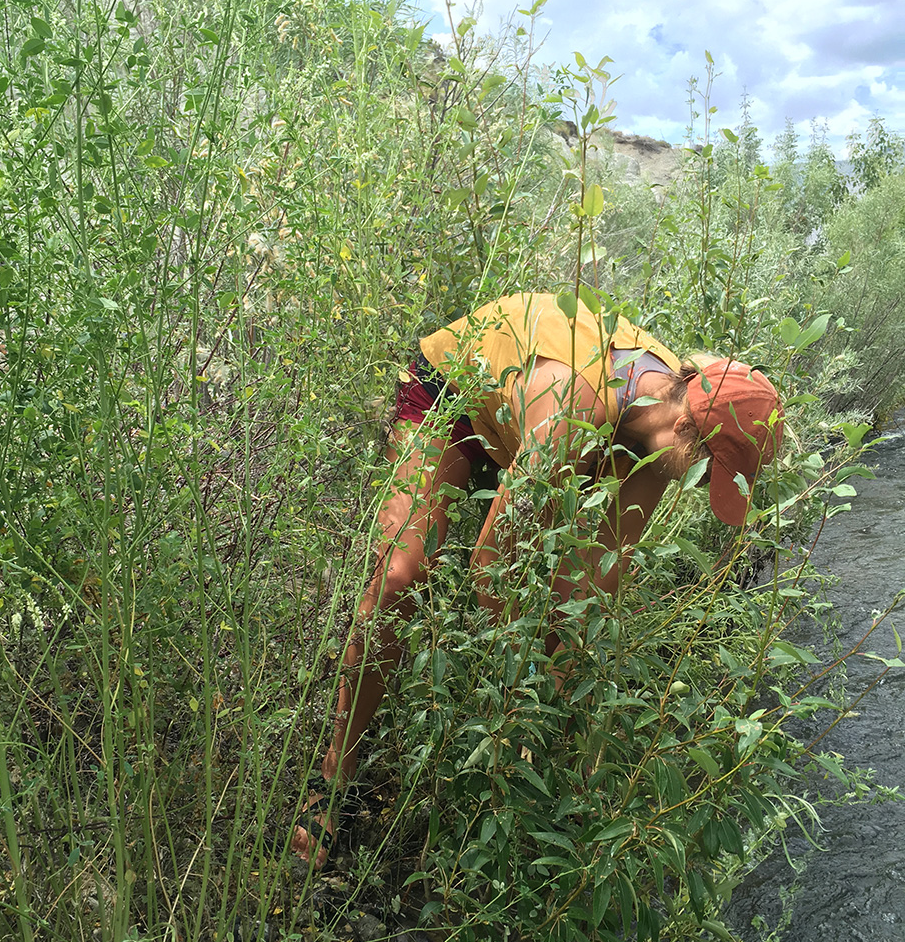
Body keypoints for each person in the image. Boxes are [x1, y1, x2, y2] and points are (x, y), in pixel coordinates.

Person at [292, 292, 784, 865]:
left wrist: (569, 717)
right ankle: (335, 774)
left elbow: (594, 588)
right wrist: (527, 684)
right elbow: (492, 566)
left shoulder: (656, 443)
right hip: (449, 398)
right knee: (401, 576)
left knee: (566, 614)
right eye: (709, 477)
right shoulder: (578, 398)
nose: (702, 491)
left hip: (524, 431)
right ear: (684, 429)